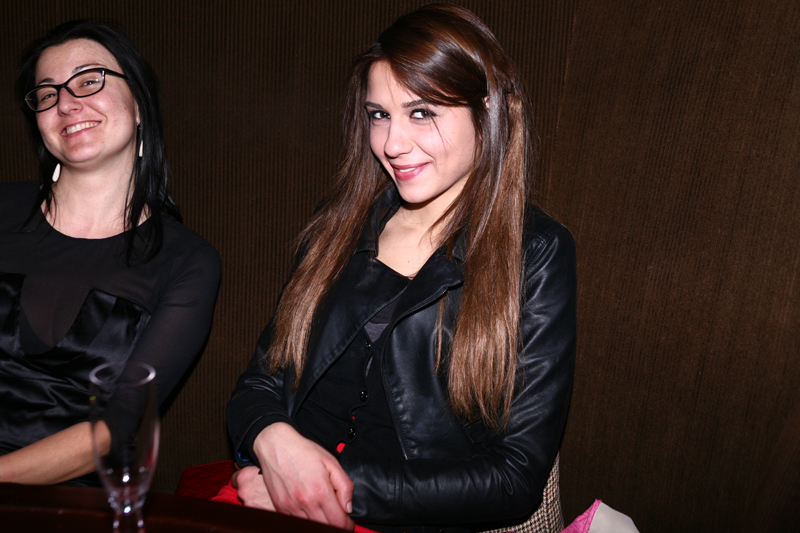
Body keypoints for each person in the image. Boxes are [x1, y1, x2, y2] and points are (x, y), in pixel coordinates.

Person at [226, 4, 575, 531]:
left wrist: (323, 487)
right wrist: (273, 444)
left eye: (421, 113)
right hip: (270, 490)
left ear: (488, 112)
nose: (391, 144)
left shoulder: (537, 252)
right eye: (379, 115)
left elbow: (514, 477)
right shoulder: (338, 226)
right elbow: (259, 382)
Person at [0, 20, 221, 486]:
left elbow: (118, 426)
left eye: (89, 81)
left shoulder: (186, 261)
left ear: (139, 102)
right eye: (47, 93)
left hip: (71, 499)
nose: (65, 103)